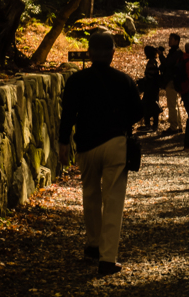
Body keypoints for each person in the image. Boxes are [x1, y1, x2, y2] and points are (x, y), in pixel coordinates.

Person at [58, 30, 143, 278]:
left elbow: (68, 115)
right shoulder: (124, 80)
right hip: (115, 143)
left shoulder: (76, 81)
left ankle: (92, 245)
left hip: (86, 146)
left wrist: (63, 143)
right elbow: (138, 112)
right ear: (113, 54)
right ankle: (107, 259)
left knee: (91, 195)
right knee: (113, 200)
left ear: (90, 53)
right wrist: (121, 121)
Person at [158, 33, 183, 133]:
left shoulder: (176, 53)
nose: (169, 41)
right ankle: (178, 125)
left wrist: (160, 55)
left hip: (172, 81)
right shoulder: (174, 52)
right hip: (173, 80)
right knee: (174, 104)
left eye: (171, 39)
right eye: (169, 39)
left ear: (177, 41)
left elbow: (167, 64)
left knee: (172, 105)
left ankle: (174, 127)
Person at [141, 44, 161, 131]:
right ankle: (154, 124)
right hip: (155, 87)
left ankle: (148, 124)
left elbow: (150, 76)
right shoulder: (154, 62)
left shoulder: (151, 63)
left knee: (147, 105)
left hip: (150, 87)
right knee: (154, 105)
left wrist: (144, 80)